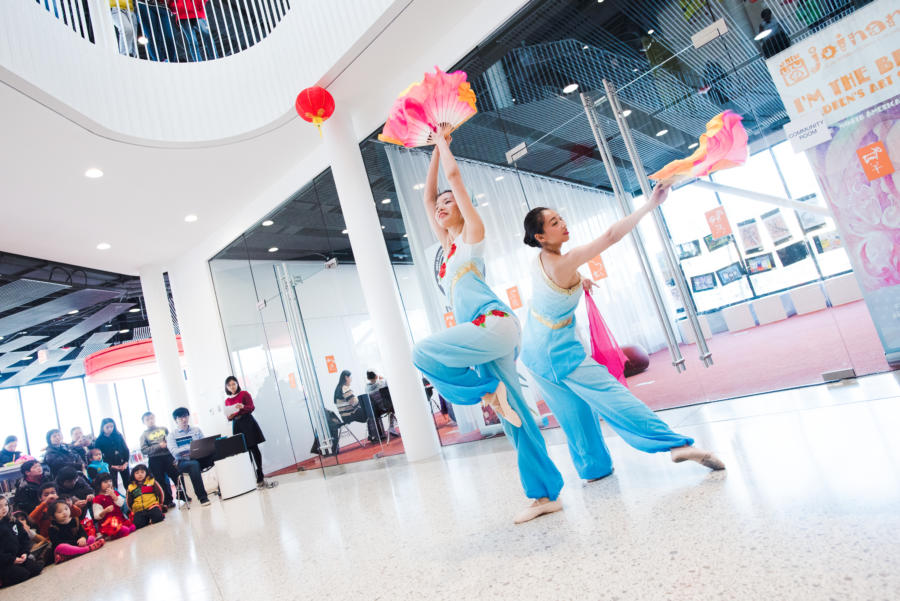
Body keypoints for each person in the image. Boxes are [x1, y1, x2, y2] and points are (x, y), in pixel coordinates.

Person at [411, 129, 564, 524]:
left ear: (463, 209)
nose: (442, 206)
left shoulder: (472, 236)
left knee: (422, 352)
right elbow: (426, 197)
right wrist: (432, 151)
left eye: (450, 203)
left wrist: (444, 142)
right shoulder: (447, 249)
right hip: (485, 339)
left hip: (493, 325)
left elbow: (455, 180)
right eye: (441, 205)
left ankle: (486, 391)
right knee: (517, 421)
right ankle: (545, 494)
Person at [519, 191, 725, 482]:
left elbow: (551, 289)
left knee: (574, 414)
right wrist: (650, 204)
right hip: (556, 352)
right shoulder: (565, 263)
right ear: (540, 236)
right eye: (554, 222)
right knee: (612, 395)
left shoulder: (542, 261)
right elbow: (611, 235)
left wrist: (580, 282)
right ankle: (675, 444)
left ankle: (595, 469)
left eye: (560, 217)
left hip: (533, 353)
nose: (563, 223)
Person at [225, 376, 276, 488]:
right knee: (244, 451)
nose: (232, 387)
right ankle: (250, 474)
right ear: (226, 387)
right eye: (229, 385)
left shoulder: (244, 394)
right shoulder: (227, 400)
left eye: (234, 384)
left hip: (247, 422)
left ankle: (260, 472)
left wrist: (242, 407)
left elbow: (251, 407)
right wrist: (232, 414)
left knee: (253, 448)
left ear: (237, 384)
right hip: (237, 425)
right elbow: (229, 417)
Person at [166, 407, 211, 506]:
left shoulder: (196, 430)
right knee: (194, 465)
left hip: (199, 457)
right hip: (182, 462)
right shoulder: (171, 436)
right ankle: (202, 497)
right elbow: (175, 452)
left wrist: (186, 449)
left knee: (217, 454)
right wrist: (191, 447)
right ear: (176, 420)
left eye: (185, 416)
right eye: (180, 418)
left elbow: (204, 444)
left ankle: (224, 487)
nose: (184, 419)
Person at [0, 496, 43, 588]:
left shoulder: (13, 521)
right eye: (0, 507)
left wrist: (24, 553)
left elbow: (24, 538)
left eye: (6, 505)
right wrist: (11, 559)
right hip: (4, 562)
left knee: (36, 568)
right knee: (22, 575)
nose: (4, 508)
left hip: (18, 556)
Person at [139, 411, 180, 508]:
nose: (150, 421)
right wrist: (159, 446)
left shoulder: (164, 429)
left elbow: (171, 440)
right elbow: (144, 450)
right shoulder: (144, 435)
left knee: (176, 476)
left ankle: (182, 495)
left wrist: (167, 445)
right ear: (144, 422)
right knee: (160, 481)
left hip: (168, 456)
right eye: (147, 419)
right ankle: (167, 501)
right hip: (154, 460)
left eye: (152, 418)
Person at [334, 371, 382, 443]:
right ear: (346, 377)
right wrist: (362, 402)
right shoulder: (344, 388)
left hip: (345, 415)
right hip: (350, 414)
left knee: (369, 411)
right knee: (371, 411)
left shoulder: (339, 388)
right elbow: (353, 402)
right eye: (350, 377)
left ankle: (372, 435)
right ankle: (374, 435)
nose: (351, 380)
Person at [92, 474, 136, 539]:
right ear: (99, 484)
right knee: (124, 530)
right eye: (105, 482)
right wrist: (105, 511)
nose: (109, 483)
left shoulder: (114, 492)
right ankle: (111, 534)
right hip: (108, 523)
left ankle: (117, 532)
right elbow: (96, 516)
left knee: (133, 527)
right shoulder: (97, 499)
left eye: (110, 481)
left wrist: (114, 496)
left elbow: (121, 504)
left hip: (120, 519)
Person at [93, 418, 131, 492]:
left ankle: (132, 500)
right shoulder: (99, 440)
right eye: (107, 427)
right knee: (113, 486)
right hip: (110, 466)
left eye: (112, 426)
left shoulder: (118, 435)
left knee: (128, 484)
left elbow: (126, 449)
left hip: (123, 463)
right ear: (102, 427)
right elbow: (99, 456)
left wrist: (126, 462)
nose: (110, 429)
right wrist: (112, 466)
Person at [126, 464, 165, 528]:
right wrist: (132, 510)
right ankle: (146, 519)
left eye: (142, 472)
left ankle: (158, 512)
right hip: (139, 509)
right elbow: (129, 501)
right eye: (137, 473)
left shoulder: (152, 482)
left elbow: (160, 493)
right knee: (138, 525)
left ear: (146, 473)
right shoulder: (131, 487)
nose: (140, 474)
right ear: (133, 475)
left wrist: (160, 503)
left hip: (152, 506)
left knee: (158, 517)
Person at [365, 370, 400, 437]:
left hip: (377, 409)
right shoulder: (381, 383)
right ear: (376, 376)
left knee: (391, 408)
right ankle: (392, 427)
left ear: (368, 378)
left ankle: (392, 427)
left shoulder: (366, 388)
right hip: (387, 406)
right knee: (395, 407)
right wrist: (382, 378)